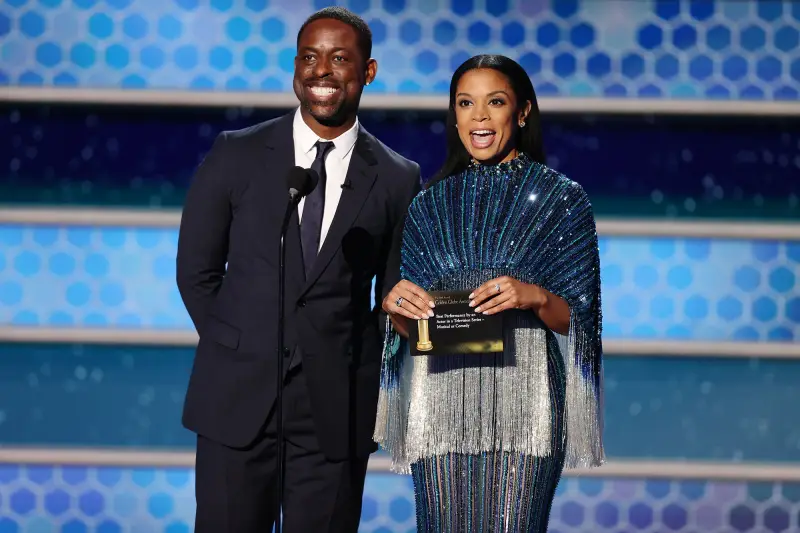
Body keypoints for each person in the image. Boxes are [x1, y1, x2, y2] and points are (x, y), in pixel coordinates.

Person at [176, 7, 421, 532]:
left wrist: (362, 363)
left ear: (368, 72)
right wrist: (239, 347)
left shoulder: (398, 178)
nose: (321, 72)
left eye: (339, 59)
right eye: (309, 58)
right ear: (294, 66)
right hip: (236, 402)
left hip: (334, 413)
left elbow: (393, 295)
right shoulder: (235, 154)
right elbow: (196, 272)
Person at [375, 54, 604, 532]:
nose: (479, 116)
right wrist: (395, 308)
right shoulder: (429, 204)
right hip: (438, 400)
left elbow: (580, 321)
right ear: (454, 117)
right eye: (465, 103)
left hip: (526, 400)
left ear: (521, 113)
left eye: (494, 102)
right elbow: (416, 326)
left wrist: (534, 296)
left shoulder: (561, 199)